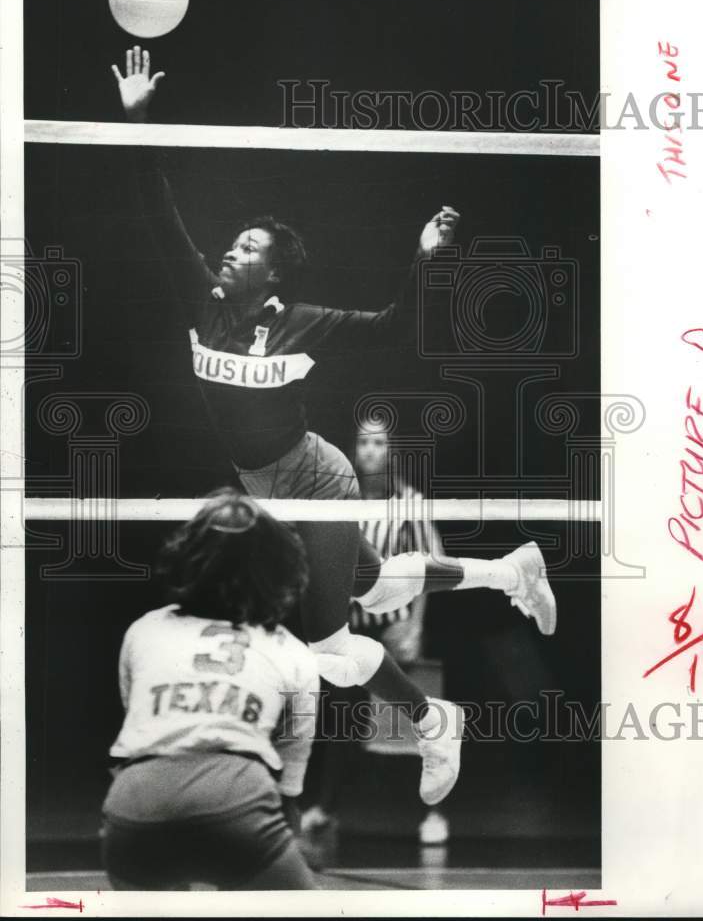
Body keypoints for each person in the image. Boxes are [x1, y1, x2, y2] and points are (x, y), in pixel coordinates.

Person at [111, 47, 557, 809]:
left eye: (249, 247)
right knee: (375, 585)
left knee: (327, 646)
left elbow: (394, 328)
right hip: (267, 485)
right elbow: (158, 207)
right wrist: (136, 117)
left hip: (316, 479)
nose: (231, 250)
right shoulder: (203, 302)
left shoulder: (304, 322)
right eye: (233, 243)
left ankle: (432, 722)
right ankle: (510, 572)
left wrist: (425, 258)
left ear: (275, 272)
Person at [101, 489, 319, 890]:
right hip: (237, 798)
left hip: (133, 805)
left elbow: (143, 729)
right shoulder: (294, 653)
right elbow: (288, 792)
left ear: (185, 558)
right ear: (279, 569)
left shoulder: (144, 630)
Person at [302, 419, 450, 846]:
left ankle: (435, 812)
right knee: (342, 721)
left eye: (379, 443)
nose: (369, 451)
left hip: (395, 625)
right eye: (363, 443)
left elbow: (434, 563)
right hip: (351, 627)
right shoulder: (340, 500)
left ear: (392, 451)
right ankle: (327, 809)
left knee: (417, 719)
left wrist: (416, 625)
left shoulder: (410, 503)